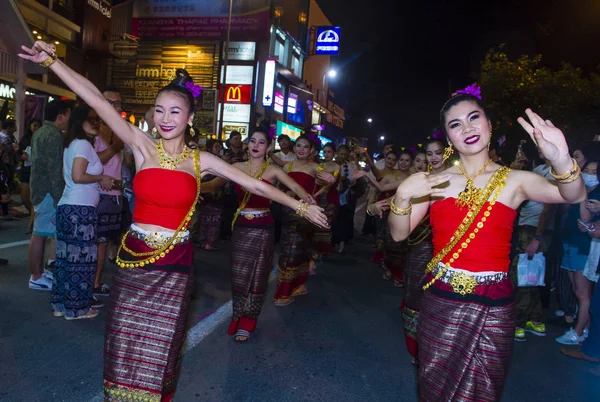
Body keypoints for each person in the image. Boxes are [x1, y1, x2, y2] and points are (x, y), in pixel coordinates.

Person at [19, 40, 327, 401]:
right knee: (124, 338)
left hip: (175, 265)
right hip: (134, 259)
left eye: (175, 112)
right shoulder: (140, 145)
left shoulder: (202, 161)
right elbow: (96, 99)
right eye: (159, 110)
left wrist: (300, 206)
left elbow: (253, 183)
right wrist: (53, 61)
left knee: (162, 344)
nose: (165, 118)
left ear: (190, 118)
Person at [388, 87, 585, 400]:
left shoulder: (515, 179)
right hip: (441, 300)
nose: (466, 128)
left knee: (484, 391)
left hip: (494, 305)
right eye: (455, 124)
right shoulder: (436, 181)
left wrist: (561, 160)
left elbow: (573, 195)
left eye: (473, 118)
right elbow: (399, 234)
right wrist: (402, 196)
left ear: (489, 125)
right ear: (449, 138)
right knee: (436, 389)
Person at [228, 129, 315, 341]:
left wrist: (308, 201)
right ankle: (237, 316)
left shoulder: (274, 171)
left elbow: (294, 186)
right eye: (252, 141)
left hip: (264, 227)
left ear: (268, 148)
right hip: (240, 227)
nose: (256, 145)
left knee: (258, 276)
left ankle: (248, 322)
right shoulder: (236, 168)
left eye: (261, 142)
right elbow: (214, 182)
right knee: (239, 277)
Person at [52, 105, 114, 319]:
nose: (96, 123)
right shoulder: (83, 145)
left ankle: (62, 305)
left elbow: (68, 176)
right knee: (82, 260)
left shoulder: (71, 145)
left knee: (65, 258)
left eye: (98, 119)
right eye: (91, 119)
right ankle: (77, 308)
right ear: (80, 122)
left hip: (68, 207)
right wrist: (101, 178)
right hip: (80, 209)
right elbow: (78, 176)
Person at [273, 134, 333, 306]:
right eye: (298, 146)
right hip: (287, 211)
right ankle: (295, 286)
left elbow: (328, 181)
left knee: (297, 249)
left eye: (305, 147)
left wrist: (318, 192)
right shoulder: (287, 166)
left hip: (305, 214)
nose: (301, 149)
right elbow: (279, 188)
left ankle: (287, 291)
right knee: (290, 249)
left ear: (311, 150)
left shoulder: (315, 167)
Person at [27, 99, 72, 291]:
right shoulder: (53, 135)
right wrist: (61, 196)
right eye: (69, 116)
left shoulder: (41, 132)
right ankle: (36, 276)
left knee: (41, 233)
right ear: (60, 117)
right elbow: (54, 170)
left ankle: (38, 274)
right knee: (40, 234)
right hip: (47, 192)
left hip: (40, 189)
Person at [555, 160, 600, 345]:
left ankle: (579, 331)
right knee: (576, 289)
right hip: (571, 243)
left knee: (583, 293)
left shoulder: (595, 195)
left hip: (585, 246)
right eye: (586, 170)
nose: (588, 174)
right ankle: (584, 328)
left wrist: (582, 196)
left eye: (593, 172)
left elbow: (585, 220)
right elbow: (563, 208)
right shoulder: (582, 191)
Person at [93, 86, 125, 297]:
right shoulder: (94, 129)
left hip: (116, 195)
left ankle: (95, 282)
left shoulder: (120, 128)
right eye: (109, 102)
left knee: (106, 242)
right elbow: (96, 161)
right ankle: (94, 284)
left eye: (117, 103)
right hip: (99, 193)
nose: (114, 106)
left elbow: (126, 163)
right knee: (99, 242)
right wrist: (116, 145)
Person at [311, 143, 340, 269]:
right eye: (325, 152)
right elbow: (316, 181)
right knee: (316, 223)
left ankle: (323, 249)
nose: (327, 154)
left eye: (329, 152)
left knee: (326, 223)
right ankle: (317, 249)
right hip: (318, 197)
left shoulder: (337, 167)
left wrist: (316, 193)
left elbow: (329, 184)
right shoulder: (319, 166)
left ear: (334, 153)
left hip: (330, 198)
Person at [196, 139, 225, 250]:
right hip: (208, 194)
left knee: (212, 219)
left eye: (219, 147)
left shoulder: (217, 160)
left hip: (213, 195)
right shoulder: (209, 161)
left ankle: (206, 242)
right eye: (216, 147)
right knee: (207, 219)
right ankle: (206, 242)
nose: (219, 149)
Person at [19, 119, 41, 232]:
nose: (36, 128)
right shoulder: (25, 139)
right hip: (26, 169)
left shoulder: (42, 138)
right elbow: (18, 153)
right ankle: (33, 216)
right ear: (29, 127)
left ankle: (32, 223)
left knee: (33, 197)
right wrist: (21, 156)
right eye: (34, 125)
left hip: (37, 170)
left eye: (38, 126)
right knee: (24, 196)